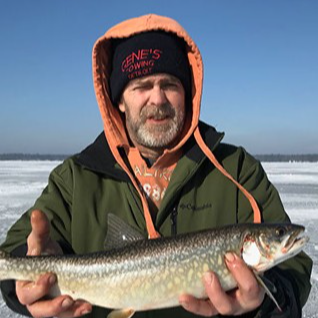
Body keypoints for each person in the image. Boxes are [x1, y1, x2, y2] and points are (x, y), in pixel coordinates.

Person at [0, 13, 312, 318]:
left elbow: (294, 276)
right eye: (141, 85)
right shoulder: (74, 179)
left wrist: (264, 303)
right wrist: (25, 284)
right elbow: (17, 249)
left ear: (187, 93)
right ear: (120, 99)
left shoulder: (237, 170)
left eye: (170, 84)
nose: (157, 98)